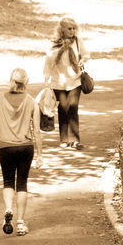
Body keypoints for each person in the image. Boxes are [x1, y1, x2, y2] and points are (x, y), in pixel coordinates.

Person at [0, 68, 44, 236]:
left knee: (7, 181)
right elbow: (37, 131)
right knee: (22, 183)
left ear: (10, 80)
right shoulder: (32, 101)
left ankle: (8, 208)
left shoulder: (0, 99)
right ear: (26, 83)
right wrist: (40, 155)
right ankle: (20, 222)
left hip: (6, 146)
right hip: (25, 146)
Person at [43, 17, 89, 150]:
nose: (72, 31)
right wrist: (46, 79)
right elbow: (48, 62)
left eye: (74, 28)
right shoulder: (55, 44)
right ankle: (64, 139)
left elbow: (86, 54)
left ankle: (75, 140)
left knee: (73, 108)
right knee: (63, 109)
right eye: (69, 28)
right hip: (59, 82)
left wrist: (83, 59)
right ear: (62, 29)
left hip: (75, 80)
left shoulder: (78, 41)